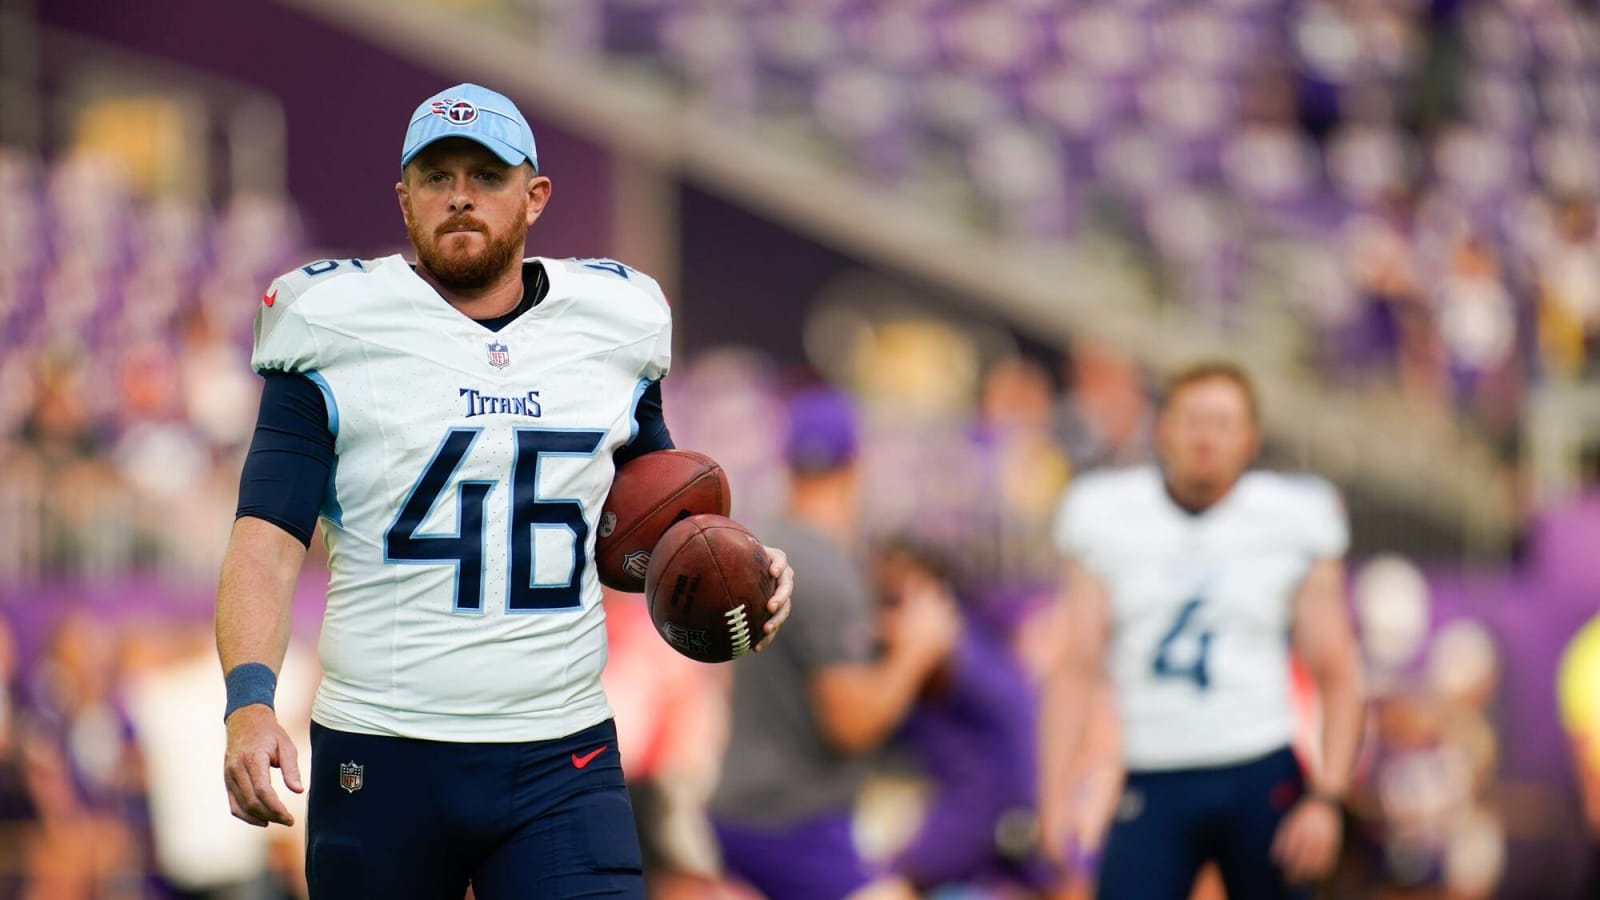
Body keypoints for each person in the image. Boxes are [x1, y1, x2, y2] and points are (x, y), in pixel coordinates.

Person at [214, 83, 793, 900]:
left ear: (535, 196)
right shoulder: (334, 321)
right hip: (381, 751)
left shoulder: (613, 321)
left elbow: (667, 514)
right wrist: (249, 704)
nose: (459, 196)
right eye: (436, 175)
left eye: (485, 175)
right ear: (404, 198)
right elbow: (265, 545)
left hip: (560, 756)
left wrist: (747, 571)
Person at [1039, 361, 1365, 900]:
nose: (1206, 436)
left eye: (1222, 422)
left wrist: (1328, 797)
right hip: (1152, 767)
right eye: (1192, 419)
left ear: (1250, 438)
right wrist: (1054, 797)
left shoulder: (1292, 517)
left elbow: (1337, 668)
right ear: (1163, 428)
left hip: (1259, 764)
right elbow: (1076, 665)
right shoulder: (1106, 514)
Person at [708, 388, 959, 900]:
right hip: (793, 820)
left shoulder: (763, 546)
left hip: (740, 806)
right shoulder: (825, 566)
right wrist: (918, 648)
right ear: (855, 462)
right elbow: (851, 725)